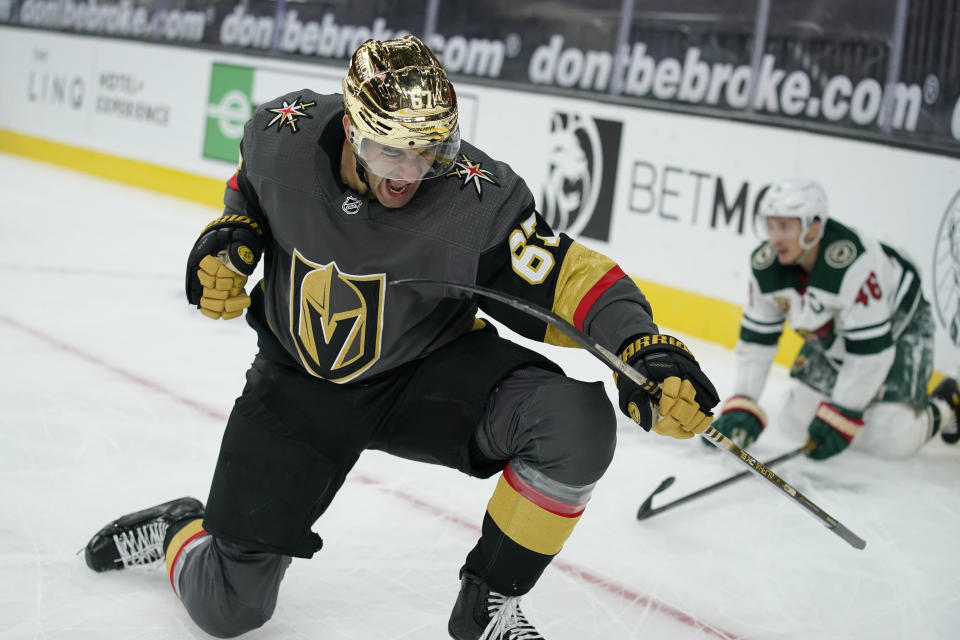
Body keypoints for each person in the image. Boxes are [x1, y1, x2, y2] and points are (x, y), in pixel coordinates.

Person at [82, 35, 720, 639]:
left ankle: (488, 603)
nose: (414, 170)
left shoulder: (473, 199)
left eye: (432, 148)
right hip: (299, 383)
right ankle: (180, 529)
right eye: (395, 149)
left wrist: (639, 347)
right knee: (228, 609)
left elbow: (569, 277)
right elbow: (250, 193)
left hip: (425, 370)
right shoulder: (283, 136)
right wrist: (232, 238)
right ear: (354, 128)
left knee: (573, 424)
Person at [710, 178, 960, 460]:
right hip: (833, 331)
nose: (775, 237)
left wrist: (844, 412)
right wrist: (744, 401)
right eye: (771, 225)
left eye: (785, 227)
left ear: (814, 228)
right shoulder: (767, 266)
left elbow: (871, 352)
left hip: (898, 323)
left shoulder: (855, 265)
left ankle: (945, 402)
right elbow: (757, 340)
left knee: (890, 441)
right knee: (795, 423)